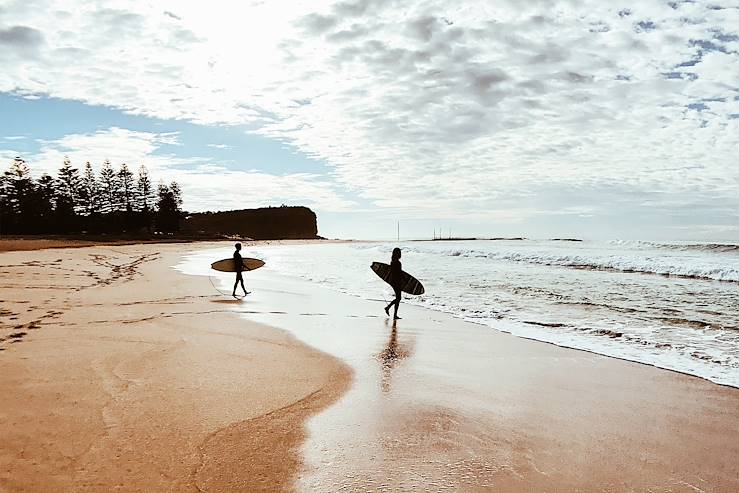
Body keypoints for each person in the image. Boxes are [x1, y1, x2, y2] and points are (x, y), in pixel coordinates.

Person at [384, 247, 403, 320]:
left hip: (393, 282)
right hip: (397, 282)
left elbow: (392, 273)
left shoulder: (392, 262)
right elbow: (400, 274)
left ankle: (389, 308)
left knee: (398, 298)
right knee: (398, 298)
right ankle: (393, 313)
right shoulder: (398, 263)